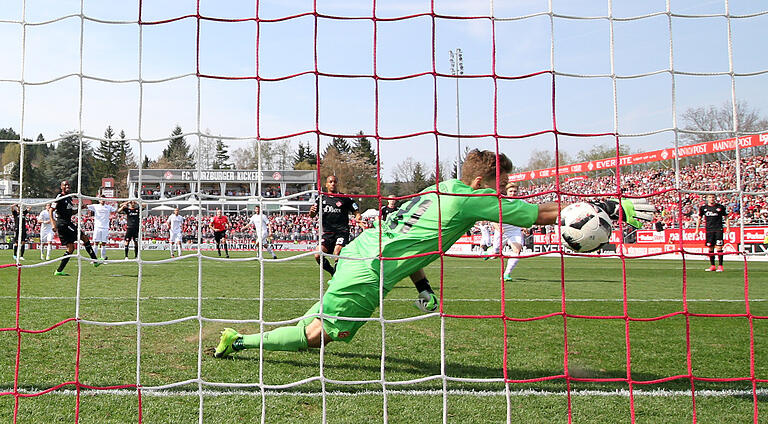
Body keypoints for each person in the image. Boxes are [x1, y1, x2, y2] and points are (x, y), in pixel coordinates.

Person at [213, 149, 653, 357]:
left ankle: (250, 337)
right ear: (485, 183)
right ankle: (240, 341)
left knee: (319, 320)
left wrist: (422, 286)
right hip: (372, 268)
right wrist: (612, 205)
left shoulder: (439, 189)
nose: (504, 192)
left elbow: (414, 243)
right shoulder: (472, 199)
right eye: (502, 185)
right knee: (326, 335)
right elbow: (540, 213)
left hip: (364, 252)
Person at [309, 175, 363, 276]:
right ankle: (332, 272)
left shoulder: (345, 198)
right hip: (327, 234)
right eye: (330, 182)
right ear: (326, 184)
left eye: (334, 182)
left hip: (341, 232)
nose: (332, 183)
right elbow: (312, 214)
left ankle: (339, 275)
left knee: (337, 252)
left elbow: (355, 211)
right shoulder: (321, 198)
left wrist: (358, 217)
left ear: (337, 184)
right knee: (317, 255)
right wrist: (311, 212)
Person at [50, 180, 102, 276]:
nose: (67, 186)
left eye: (68, 185)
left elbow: (70, 212)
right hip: (63, 224)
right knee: (84, 237)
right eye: (65, 185)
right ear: (61, 187)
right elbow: (51, 209)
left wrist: (80, 208)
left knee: (71, 248)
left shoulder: (69, 198)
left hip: (67, 223)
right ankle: (95, 260)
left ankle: (59, 271)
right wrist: (53, 223)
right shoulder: (60, 197)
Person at [484, 182, 524, 282]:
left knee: (517, 251)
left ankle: (506, 274)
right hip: (502, 230)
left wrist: (526, 226)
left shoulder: (522, 203)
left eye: (515, 191)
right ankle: (491, 251)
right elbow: (492, 217)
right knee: (496, 253)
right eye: (511, 191)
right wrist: (497, 227)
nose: (513, 193)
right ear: (506, 192)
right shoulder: (502, 202)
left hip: (514, 230)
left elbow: (526, 215)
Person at [696, 194, 730, 272]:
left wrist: (728, 228)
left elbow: (726, 217)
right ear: (707, 198)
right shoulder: (703, 208)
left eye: (713, 197)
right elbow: (699, 218)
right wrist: (697, 229)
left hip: (718, 229)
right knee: (710, 247)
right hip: (709, 230)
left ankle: (720, 266)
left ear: (715, 198)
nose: (712, 199)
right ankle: (712, 265)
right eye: (710, 197)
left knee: (719, 247)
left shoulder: (720, 207)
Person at [86, 195, 117, 261]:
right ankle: (94, 259)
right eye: (101, 199)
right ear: (99, 200)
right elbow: (86, 206)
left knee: (103, 243)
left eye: (103, 199)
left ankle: (103, 258)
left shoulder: (108, 207)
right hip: (97, 227)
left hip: (105, 227)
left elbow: (116, 210)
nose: (102, 200)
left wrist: (123, 205)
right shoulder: (95, 206)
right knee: (96, 243)